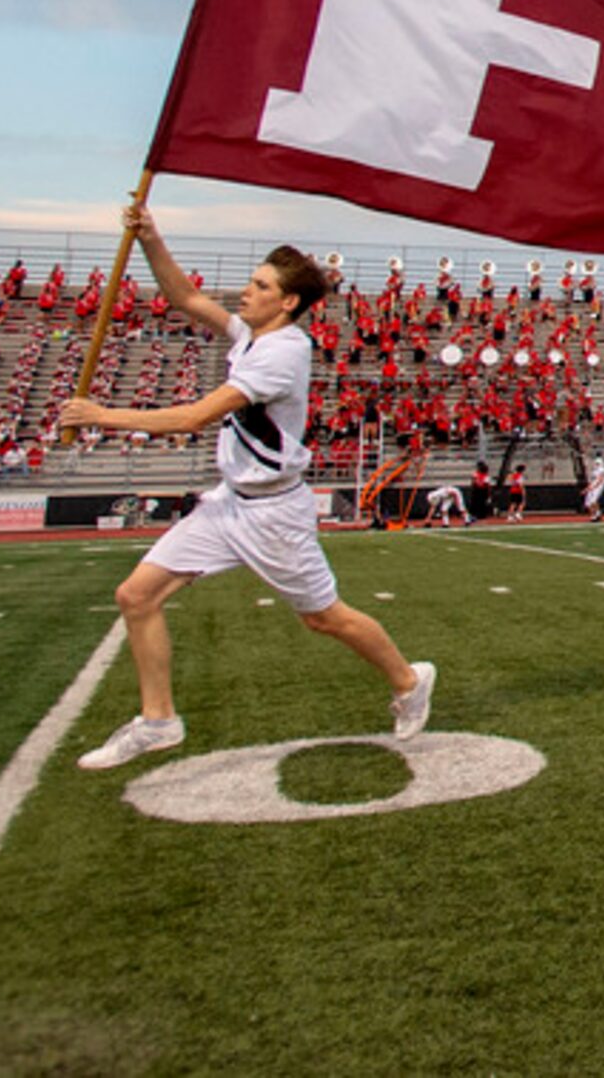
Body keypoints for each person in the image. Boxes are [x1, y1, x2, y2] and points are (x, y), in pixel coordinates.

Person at [60, 200, 433, 770]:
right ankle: (159, 721)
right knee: (136, 596)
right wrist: (150, 237)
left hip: (274, 515)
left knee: (323, 618)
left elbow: (191, 418)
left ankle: (409, 682)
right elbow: (185, 296)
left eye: (259, 285)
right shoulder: (252, 335)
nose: (245, 291)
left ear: (287, 302)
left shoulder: (282, 354)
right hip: (229, 505)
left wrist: (101, 415)